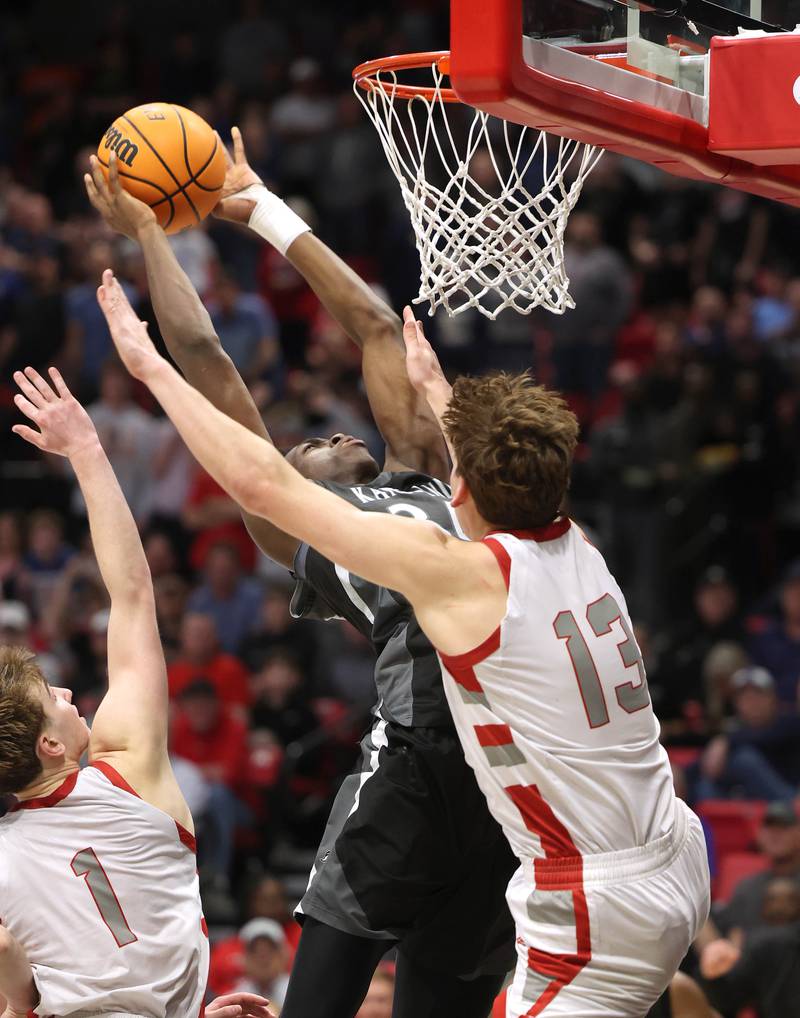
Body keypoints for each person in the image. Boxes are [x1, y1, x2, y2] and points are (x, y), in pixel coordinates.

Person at [98, 270, 710, 1017]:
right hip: (629, 831)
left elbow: (268, 471)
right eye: (309, 445)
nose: (325, 435)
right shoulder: (568, 542)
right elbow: (250, 400)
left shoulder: (447, 546)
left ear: (462, 490)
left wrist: (147, 367)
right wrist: (438, 392)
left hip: (553, 846)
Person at [86, 144, 517, 1018]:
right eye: (303, 445)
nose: (323, 436)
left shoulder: (426, 467)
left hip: (507, 768)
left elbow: (371, 328)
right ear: (286, 474)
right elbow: (208, 361)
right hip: (416, 759)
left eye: (323, 435)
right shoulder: (297, 521)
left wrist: (265, 209)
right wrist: (150, 234)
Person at [0, 366, 266, 1018]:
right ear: (51, 745)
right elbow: (134, 595)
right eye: (54, 698)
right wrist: (89, 454)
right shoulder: (130, 772)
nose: (66, 688)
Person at [696, 801, 800, 948]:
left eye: (784, 828)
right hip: (751, 965)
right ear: (760, 835)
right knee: (696, 914)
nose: (776, 834)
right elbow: (735, 938)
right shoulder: (747, 888)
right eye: (770, 828)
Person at [699, 877, 800, 1018]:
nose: (780, 905)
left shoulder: (758, 943)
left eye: (789, 899)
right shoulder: (754, 944)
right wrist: (715, 977)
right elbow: (729, 999)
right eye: (773, 899)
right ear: (763, 906)